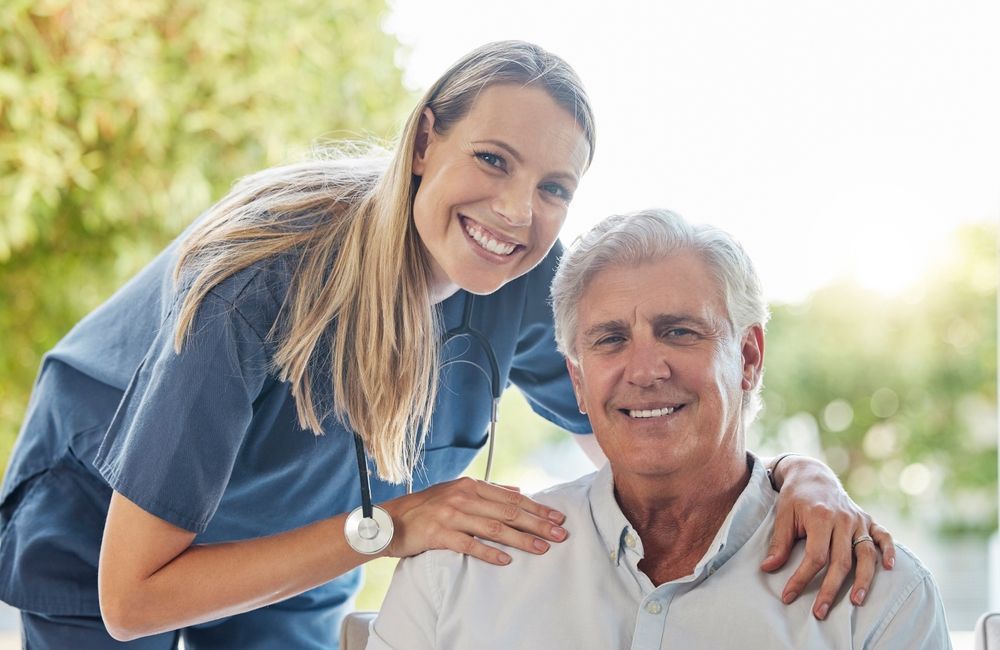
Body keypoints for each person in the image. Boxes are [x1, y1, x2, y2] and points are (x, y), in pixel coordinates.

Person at [0, 42, 889, 649]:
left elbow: (658, 443)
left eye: (554, 187)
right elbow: (131, 600)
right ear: (425, 139)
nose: (516, 213)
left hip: (310, 537)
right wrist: (394, 527)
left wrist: (800, 480)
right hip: (107, 528)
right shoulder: (259, 284)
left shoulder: (533, 286)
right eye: (493, 160)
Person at [366, 209, 950, 650]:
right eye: (610, 339)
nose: (645, 371)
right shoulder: (456, 572)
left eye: (679, 332)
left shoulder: (877, 597)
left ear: (748, 358)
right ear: (576, 379)